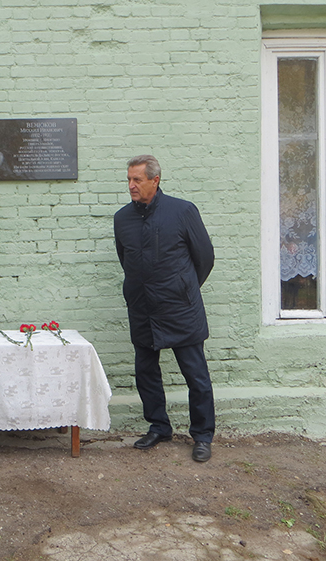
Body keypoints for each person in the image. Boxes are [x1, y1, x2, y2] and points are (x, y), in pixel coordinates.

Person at [113, 154, 216, 463]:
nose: (131, 185)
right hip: (142, 307)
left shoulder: (182, 211)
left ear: (155, 180)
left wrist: (183, 288)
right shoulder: (122, 218)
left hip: (180, 308)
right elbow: (126, 260)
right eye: (129, 180)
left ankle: (202, 435)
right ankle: (159, 426)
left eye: (137, 180)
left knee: (195, 374)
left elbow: (205, 257)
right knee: (146, 372)